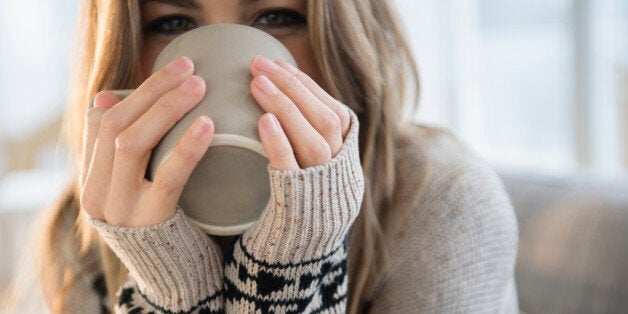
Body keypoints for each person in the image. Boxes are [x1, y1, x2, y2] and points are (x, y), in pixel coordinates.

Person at [39, 0, 519, 313]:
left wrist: (293, 262)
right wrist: (167, 279)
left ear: (344, 39)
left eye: (277, 17)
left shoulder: (445, 202)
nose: (242, 65)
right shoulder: (83, 227)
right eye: (173, 23)